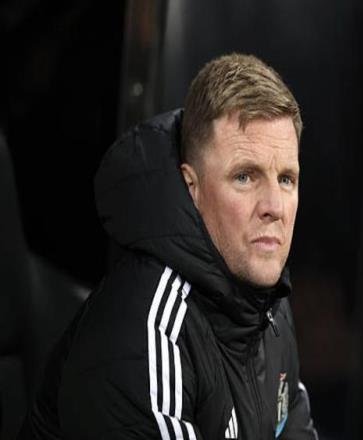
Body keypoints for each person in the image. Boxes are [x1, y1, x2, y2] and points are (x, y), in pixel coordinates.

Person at [20, 53, 318, 440]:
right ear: (192, 187)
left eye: (286, 179)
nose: (274, 207)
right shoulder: (145, 330)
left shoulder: (270, 307)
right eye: (245, 177)